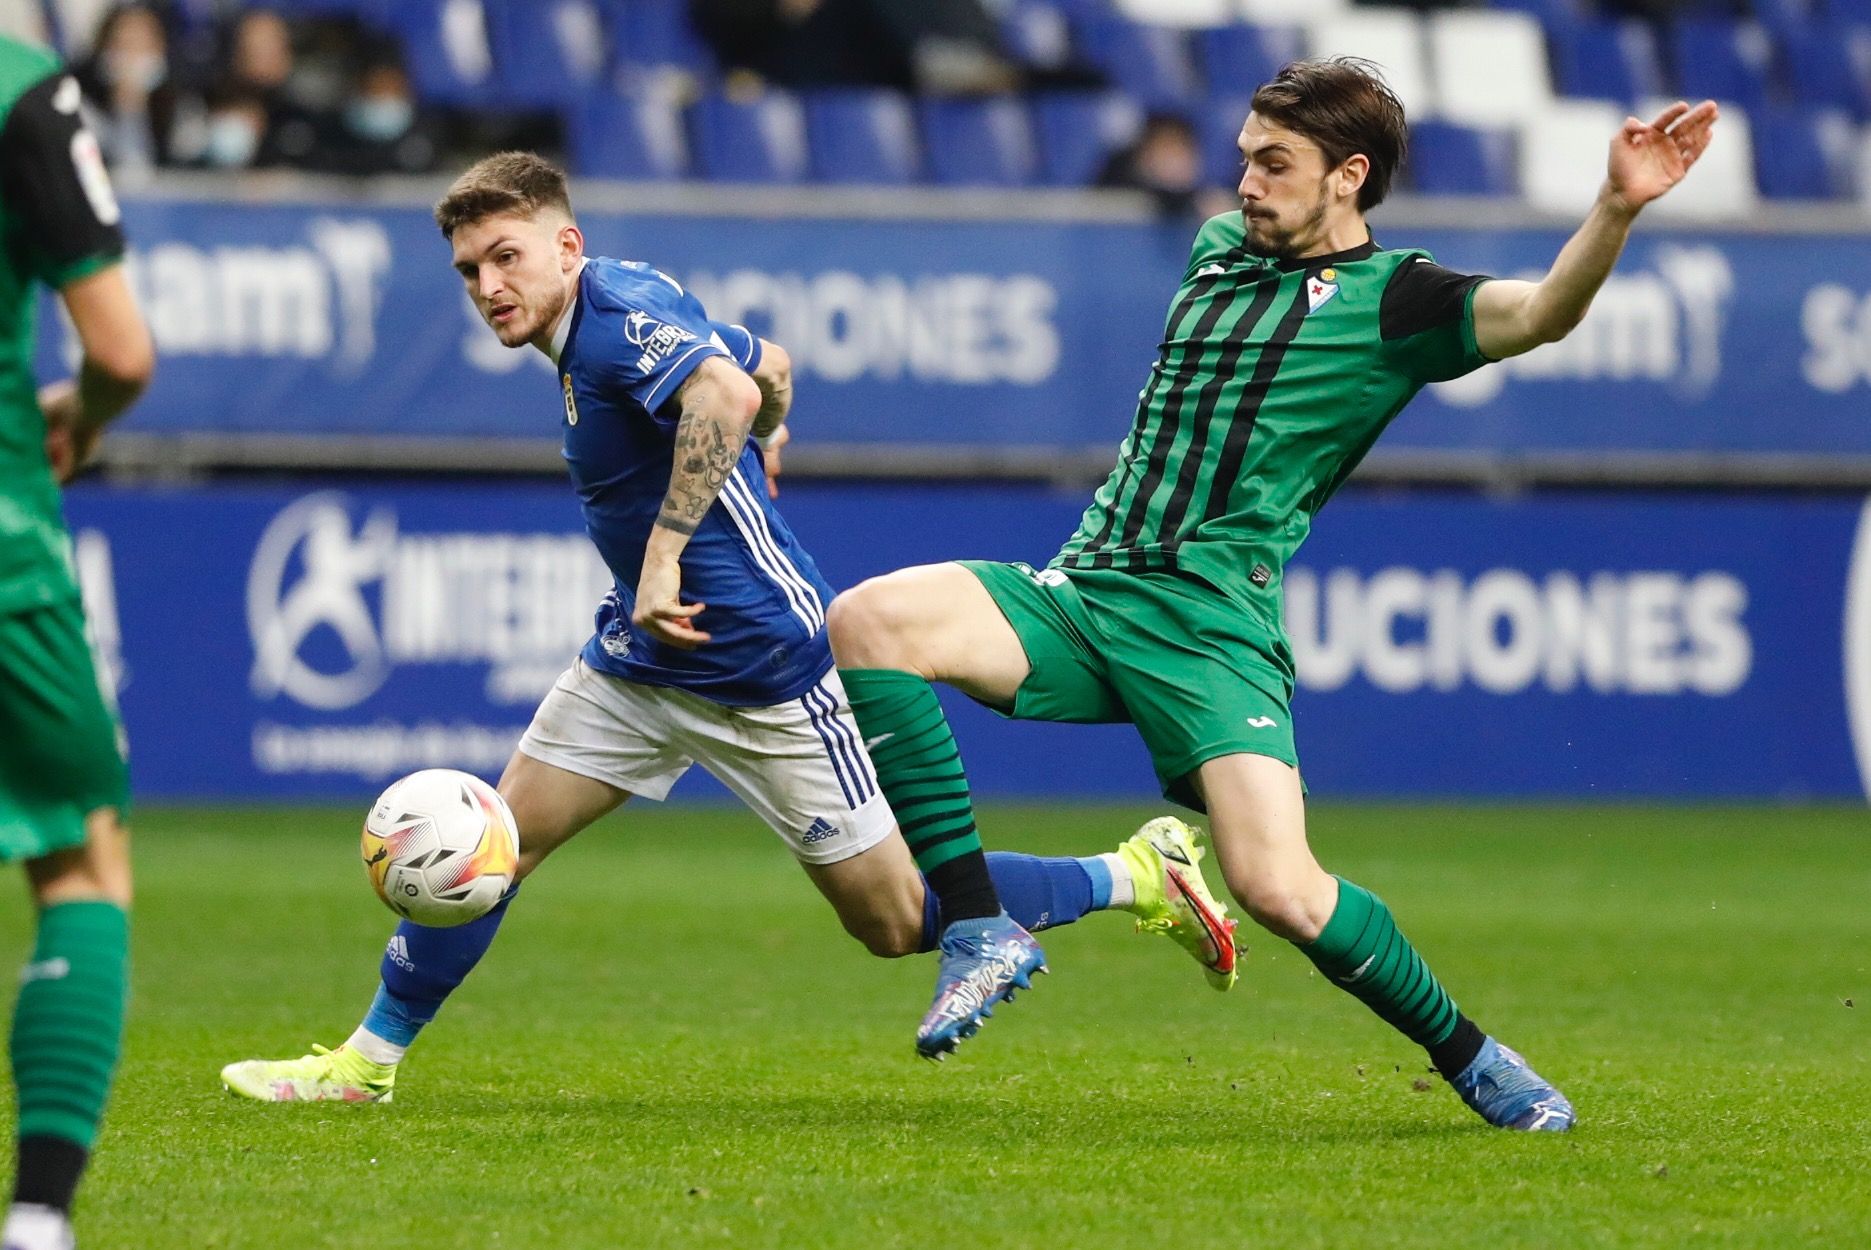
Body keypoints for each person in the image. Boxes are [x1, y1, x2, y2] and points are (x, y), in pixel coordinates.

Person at [218, 152, 1241, 1104]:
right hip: (638, 657)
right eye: (469, 269)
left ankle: (1138, 873)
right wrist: (775, 413)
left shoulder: (614, 319)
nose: (488, 283)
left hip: (762, 667)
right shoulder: (618, 308)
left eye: (506, 255)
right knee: (494, 845)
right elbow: (767, 362)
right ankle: (365, 1063)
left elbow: (726, 384)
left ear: (565, 249)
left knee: (890, 920)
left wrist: (668, 542)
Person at [826, 58, 1720, 1133]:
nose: (1243, 181)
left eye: (1272, 162)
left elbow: (1539, 314)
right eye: (1243, 155)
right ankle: (979, 925)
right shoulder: (1216, 249)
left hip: (1208, 629)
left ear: (1347, 176)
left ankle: (1471, 1054)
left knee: (1281, 889)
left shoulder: (1398, 301)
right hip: (1085, 591)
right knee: (869, 619)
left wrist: (1614, 208)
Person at [0, 33, 155, 1250]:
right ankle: (38, 1219)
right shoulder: (16, 80)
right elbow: (118, 350)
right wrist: (84, 416)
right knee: (82, 865)